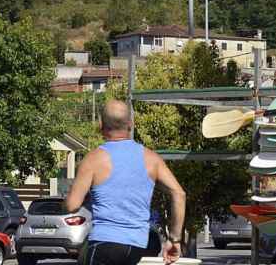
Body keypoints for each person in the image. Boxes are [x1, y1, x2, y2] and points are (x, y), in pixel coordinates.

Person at [66, 99, 187, 265]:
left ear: (101, 125)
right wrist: (175, 240)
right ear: (130, 124)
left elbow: (72, 205)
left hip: (104, 243)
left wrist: (68, 199)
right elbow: (179, 194)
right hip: (136, 246)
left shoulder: (93, 159)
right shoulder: (151, 159)